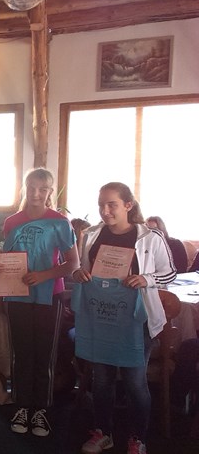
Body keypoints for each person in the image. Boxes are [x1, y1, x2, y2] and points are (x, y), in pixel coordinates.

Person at [74, 183, 175, 454]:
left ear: (128, 205)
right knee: (101, 379)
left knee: (134, 382)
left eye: (112, 205)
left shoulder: (150, 237)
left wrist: (145, 279)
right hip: (101, 317)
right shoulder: (91, 235)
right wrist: (79, 274)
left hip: (137, 320)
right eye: (101, 205)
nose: (105, 211)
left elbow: (169, 274)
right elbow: (83, 269)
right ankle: (103, 432)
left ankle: (137, 438)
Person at [0, 168, 79, 438]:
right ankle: (21, 405)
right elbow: (7, 257)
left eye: (42, 189)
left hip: (49, 296)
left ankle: (41, 409)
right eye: (31, 187)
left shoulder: (60, 222)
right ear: (25, 188)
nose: (35, 193)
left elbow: (73, 263)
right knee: (21, 353)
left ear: (50, 192)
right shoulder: (12, 221)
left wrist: (43, 275)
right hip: (17, 295)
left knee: (44, 354)